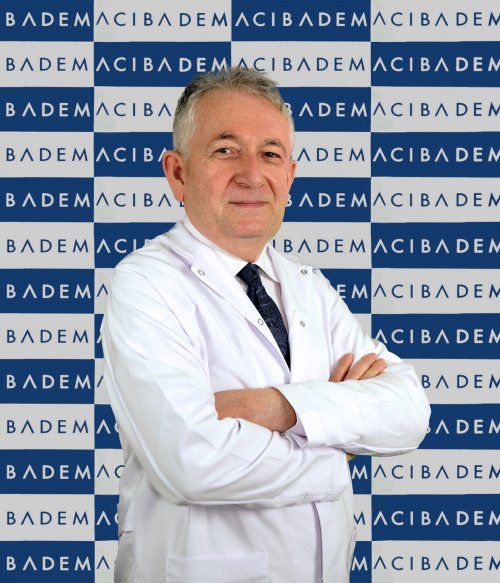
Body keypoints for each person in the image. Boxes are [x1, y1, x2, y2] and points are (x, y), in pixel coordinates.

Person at [102, 68, 430, 583]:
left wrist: (276, 407)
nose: (252, 175)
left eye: (271, 154)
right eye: (226, 150)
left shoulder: (308, 287)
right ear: (178, 173)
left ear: (290, 176)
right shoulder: (145, 284)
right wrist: (336, 447)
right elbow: (192, 462)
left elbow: (409, 410)